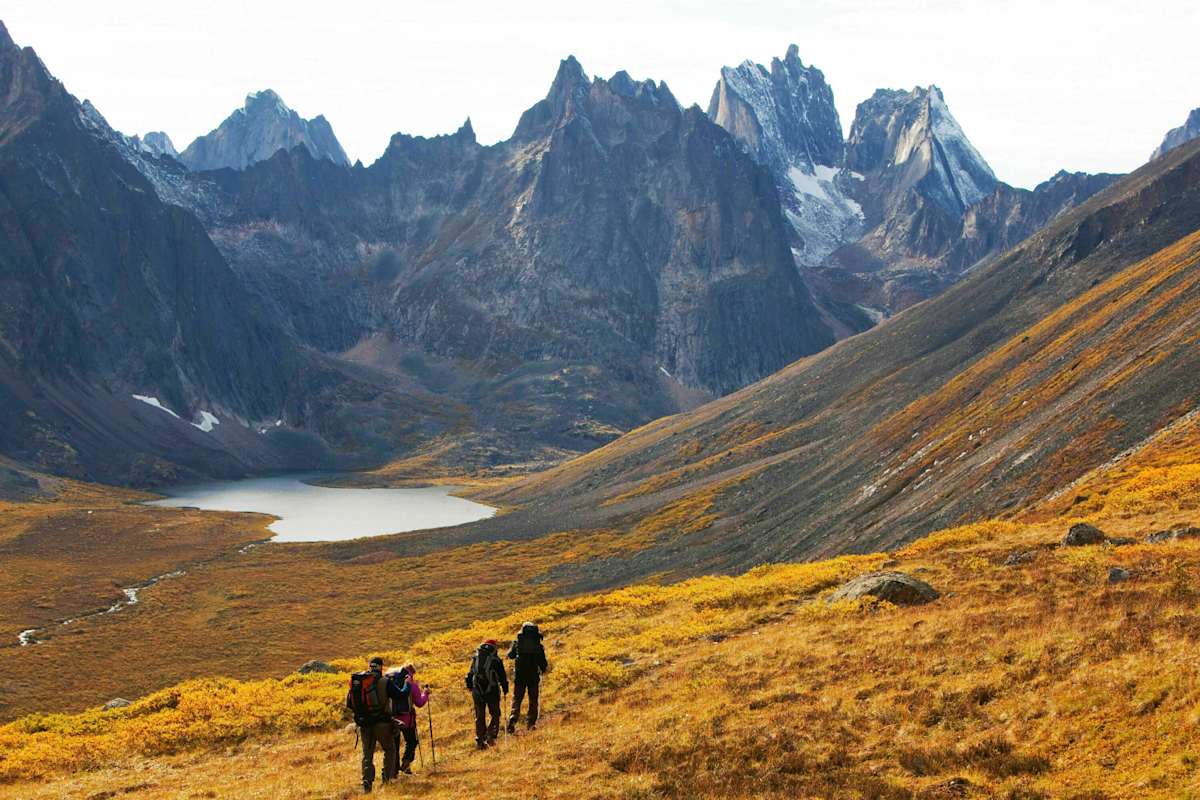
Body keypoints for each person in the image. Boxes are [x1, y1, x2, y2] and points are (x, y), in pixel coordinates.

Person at [346, 656, 398, 793]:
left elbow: (349, 704)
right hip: (382, 724)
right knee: (390, 750)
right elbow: (399, 695)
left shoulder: (360, 682)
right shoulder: (385, 681)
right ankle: (386, 779)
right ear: (381, 667)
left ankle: (367, 784)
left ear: (370, 666)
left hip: (365, 724)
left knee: (367, 754)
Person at [387, 663, 430, 774]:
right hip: (407, 719)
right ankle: (406, 763)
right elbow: (419, 703)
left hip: (392, 719)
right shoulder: (412, 684)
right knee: (411, 741)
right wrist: (425, 693)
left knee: (395, 745)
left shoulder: (390, 682)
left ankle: (394, 771)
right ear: (412, 672)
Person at [506, 621, 549, 733]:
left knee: (517, 698)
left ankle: (513, 717)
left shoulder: (517, 643)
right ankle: (531, 723)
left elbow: (510, 655)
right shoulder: (538, 645)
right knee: (533, 700)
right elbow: (543, 663)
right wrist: (543, 669)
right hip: (533, 676)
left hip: (520, 675)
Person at [465, 639, 508, 748]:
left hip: (477, 691)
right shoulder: (495, 659)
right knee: (495, 713)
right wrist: (505, 688)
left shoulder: (476, 658)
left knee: (480, 715)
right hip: (491, 690)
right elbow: (502, 676)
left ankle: (480, 740)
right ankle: (490, 735)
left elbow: (470, 674)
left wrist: (471, 687)